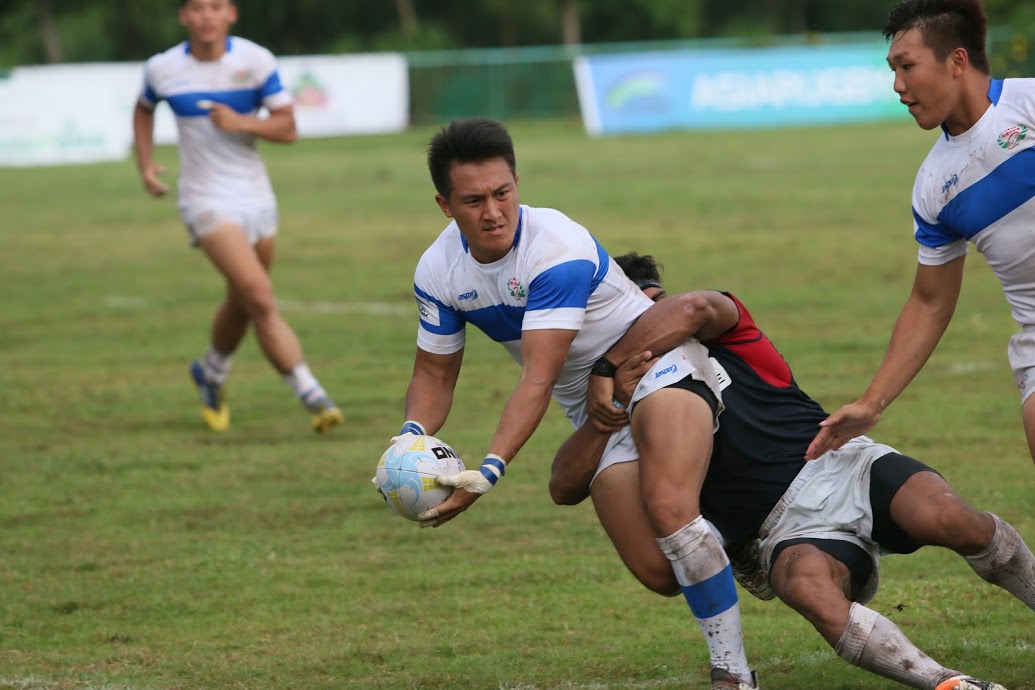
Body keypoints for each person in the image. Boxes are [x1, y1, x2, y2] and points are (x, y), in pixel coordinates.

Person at [550, 252, 1035, 690]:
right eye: (640, 319)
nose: (658, 325)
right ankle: (947, 684)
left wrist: (610, 366)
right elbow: (563, 485)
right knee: (807, 589)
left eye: (656, 307)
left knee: (953, 519)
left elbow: (690, 309)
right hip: (782, 535)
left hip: (843, 466)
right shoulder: (629, 404)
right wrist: (611, 401)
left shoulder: (721, 325)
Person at [393, 117, 757, 689]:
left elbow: (538, 377)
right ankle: (746, 539)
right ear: (445, 206)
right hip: (593, 413)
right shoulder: (437, 271)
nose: (493, 212)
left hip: (652, 368)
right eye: (473, 200)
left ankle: (733, 675)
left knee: (669, 512)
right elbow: (433, 373)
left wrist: (489, 470)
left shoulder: (554, 247)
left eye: (502, 193)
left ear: (517, 181)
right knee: (660, 571)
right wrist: (410, 436)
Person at [806, 0, 1035, 464]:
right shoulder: (934, 185)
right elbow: (930, 302)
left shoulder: (1027, 104)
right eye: (893, 69)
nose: (898, 86)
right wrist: (872, 402)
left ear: (956, 61)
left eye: (907, 66)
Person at [132, 0, 343, 434]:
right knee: (260, 298)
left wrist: (243, 122)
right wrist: (146, 164)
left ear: (231, 13)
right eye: (196, 8)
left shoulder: (255, 60)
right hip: (204, 199)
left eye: (215, 6)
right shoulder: (163, 68)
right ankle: (312, 395)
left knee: (243, 299)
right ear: (183, 17)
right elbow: (144, 108)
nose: (206, 16)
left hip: (257, 198)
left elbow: (288, 128)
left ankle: (211, 371)